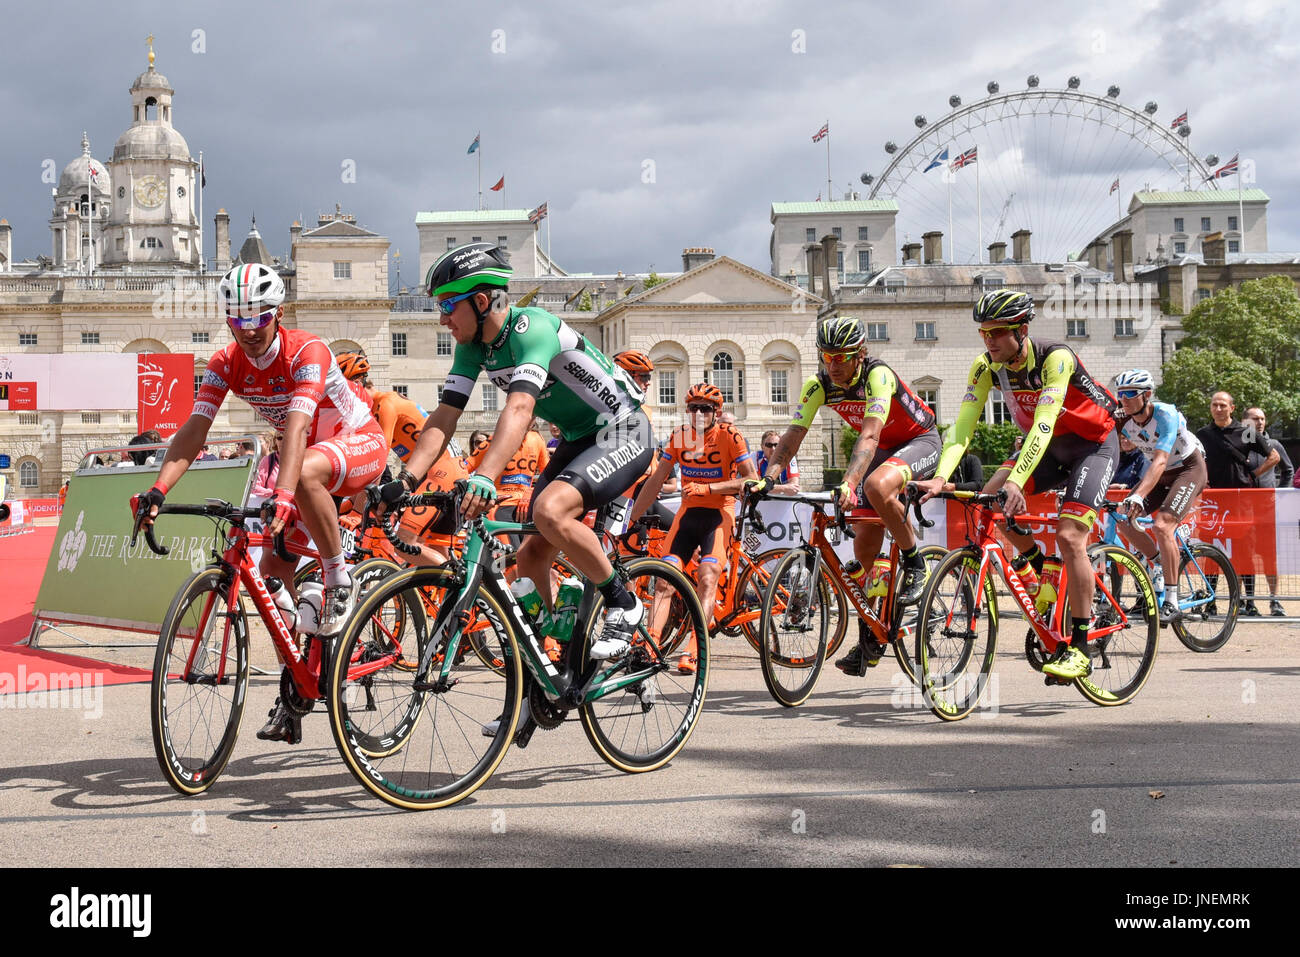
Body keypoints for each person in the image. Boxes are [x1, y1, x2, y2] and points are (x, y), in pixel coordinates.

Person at [132, 262, 388, 744]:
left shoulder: (306, 351)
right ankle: (298, 685)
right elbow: (194, 432)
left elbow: (295, 427)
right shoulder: (225, 362)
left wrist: (283, 496)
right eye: (237, 320)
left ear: (279, 313)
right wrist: (158, 489)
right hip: (306, 460)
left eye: (258, 319)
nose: (248, 331)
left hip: (356, 445)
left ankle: (339, 576)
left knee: (307, 468)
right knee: (271, 579)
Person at [381, 243, 653, 676]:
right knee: (529, 558)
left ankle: (625, 603)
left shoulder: (532, 330)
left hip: (622, 431)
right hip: (580, 440)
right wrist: (406, 480)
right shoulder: (474, 348)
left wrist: (486, 476)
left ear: (482, 301)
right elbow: (445, 416)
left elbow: (520, 409)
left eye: (448, 306)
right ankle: (554, 670)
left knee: (549, 510)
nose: (442, 319)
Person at [915, 290, 1120, 682]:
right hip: (1048, 448)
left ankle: (1080, 645)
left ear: (1021, 330)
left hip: (1092, 446)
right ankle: (1046, 573)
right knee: (990, 505)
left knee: (1070, 536)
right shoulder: (986, 366)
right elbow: (961, 429)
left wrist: (1019, 481)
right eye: (983, 333)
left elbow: (1043, 424)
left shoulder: (1055, 358)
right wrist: (942, 476)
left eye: (997, 332)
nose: (988, 340)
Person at [754, 315, 941, 676]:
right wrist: (768, 478)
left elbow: (869, 437)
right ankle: (870, 640)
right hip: (883, 453)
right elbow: (793, 436)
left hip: (918, 441)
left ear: (860, 354)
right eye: (827, 357)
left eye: (842, 357)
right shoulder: (818, 384)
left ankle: (915, 561)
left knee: (874, 486)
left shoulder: (877, 376)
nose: (834, 365)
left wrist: (850, 482)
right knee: (864, 559)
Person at [629, 383, 757, 673]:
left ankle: (695, 648)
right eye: (693, 407)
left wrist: (708, 487)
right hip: (687, 516)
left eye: (706, 408)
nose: (698, 413)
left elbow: (751, 480)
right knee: (664, 580)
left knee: (707, 576)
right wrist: (633, 519)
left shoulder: (730, 436)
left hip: (719, 514)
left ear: (717, 412)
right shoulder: (678, 437)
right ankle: (651, 647)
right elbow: (655, 481)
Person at [1109, 369, 1208, 623]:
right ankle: (1159, 564)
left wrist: (1139, 495)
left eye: (1131, 394)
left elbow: (1161, 460)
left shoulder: (1166, 414)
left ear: (1147, 395)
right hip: (1161, 476)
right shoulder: (1121, 418)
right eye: (1121, 394)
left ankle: (1172, 601)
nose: (1125, 399)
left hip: (1188, 469)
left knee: (1162, 524)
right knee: (1122, 519)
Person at [1196, 391, 1278, 617]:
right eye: (1215, 405)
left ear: (1232, 408)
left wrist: (1253, 475)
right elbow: (1193, 461)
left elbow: (1274, 457)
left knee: (1245, 551)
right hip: (1214, 502)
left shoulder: (1247, 432)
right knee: (1211, 551)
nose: (1218, 409)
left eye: (1223, 405)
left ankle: (1249, 603)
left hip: (1242, 501)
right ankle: (1211, 601)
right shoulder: (1203, 434)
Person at [1243, 407, 1292, 616]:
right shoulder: (1240, 444)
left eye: (1263, 418)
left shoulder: (1274, 445)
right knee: (1244, 556)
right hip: (1243, 509)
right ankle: (1249, 602)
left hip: (1267, 510)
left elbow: (1288, 470)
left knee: (1269, 557)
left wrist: (1280, 495)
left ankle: (1274, 601)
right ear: (1245, 421)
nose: (1260, 422)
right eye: (1255, 418)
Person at [753, 430, 799, 495]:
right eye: (769, 445)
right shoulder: (755, 456)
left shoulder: (789, 457)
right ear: (762, 447)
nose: (773, 449)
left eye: (776, 445)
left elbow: (794, 488)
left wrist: (766, 487)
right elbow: (755, 487)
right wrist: (785, 488)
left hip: (783, 500)